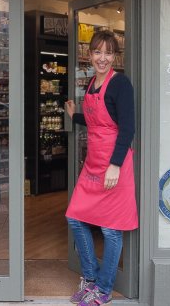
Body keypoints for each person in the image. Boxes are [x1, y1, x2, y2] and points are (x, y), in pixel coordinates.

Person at [65, 30, 138, 306]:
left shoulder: (121, 84)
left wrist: (115, 166)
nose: (102, 58)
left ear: (115, 56)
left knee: (110, 229)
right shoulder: (91, 85)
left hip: (113, 165)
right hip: (93, 163)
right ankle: (91, 278)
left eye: (108, 53)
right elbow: (98, 122)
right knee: (75, 217)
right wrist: (75, 116)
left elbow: (127, 127)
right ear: (90, 55)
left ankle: (104, 289)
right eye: (98, 52)